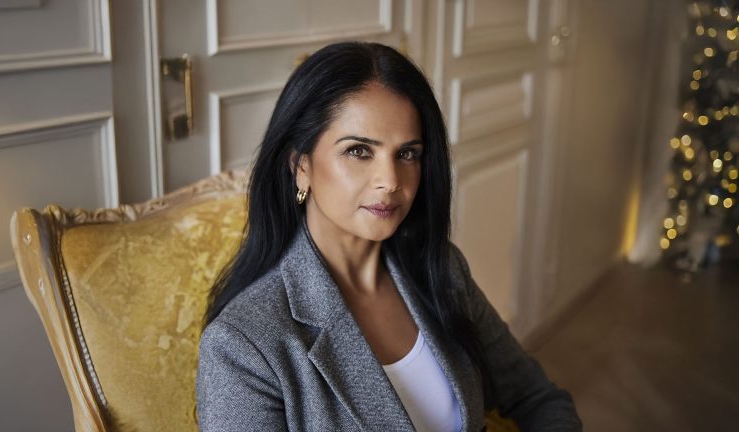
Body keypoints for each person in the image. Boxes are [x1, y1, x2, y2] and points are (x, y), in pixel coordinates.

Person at [196, 41, 582, 432]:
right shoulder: (242, 346)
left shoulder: (443, 269)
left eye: (407, 154)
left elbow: (538, 397)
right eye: (359, 151)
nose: (391, 181)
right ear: (301, 166)